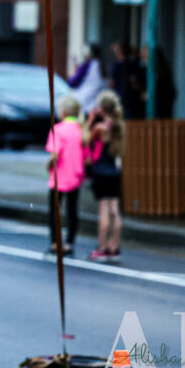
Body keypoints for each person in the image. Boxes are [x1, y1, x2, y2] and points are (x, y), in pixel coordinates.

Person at [84, 90, 126, 263]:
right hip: (114, 171)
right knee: (115, 210)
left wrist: (90, 120)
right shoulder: (120, 126)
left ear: (102, 108)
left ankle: (102, 248)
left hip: (100, 170)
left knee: (104, 211)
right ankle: (114, 246)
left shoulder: (100, 128)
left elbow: (85, 139)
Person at [45, 95, 85, 256]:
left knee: (55, 211)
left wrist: (48, 165)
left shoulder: (58, 129)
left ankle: (56, 243)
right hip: (75, 176)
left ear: (62, 113)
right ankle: (69, 243)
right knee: (72, 211)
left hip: (59, 176)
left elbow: (55, 154)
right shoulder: (82, 130)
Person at [68, 44, 109, 114]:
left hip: (85, 104)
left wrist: (73, 72)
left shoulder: (87, 65)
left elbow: (72, 83)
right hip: (99, 106)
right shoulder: (103, 65)